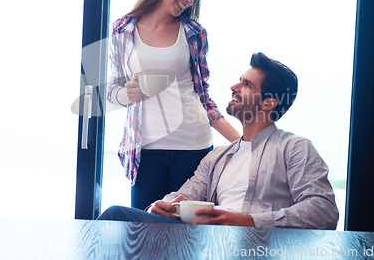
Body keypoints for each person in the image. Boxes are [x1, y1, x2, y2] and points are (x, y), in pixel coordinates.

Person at [100, 52, 339, 229]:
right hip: (207, 243)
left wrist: (248, 222)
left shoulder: (294, 148)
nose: (234, 87)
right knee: (119, 220)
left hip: (259, 246)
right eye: (239, 80)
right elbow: (185, 195)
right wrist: (161, 206)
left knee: (114, 216)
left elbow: (323, 211)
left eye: (247, 85)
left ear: (269, 103)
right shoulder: (218, 156)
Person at [106, 0, 240, 210]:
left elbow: (203, 95)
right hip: (144, 148)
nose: (190, 0)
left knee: (188, 235)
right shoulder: (122, 30)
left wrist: (242, 142)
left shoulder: (194, 33)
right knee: (143, 231)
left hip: (193, 145)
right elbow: (112, 89)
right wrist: (124, 95)